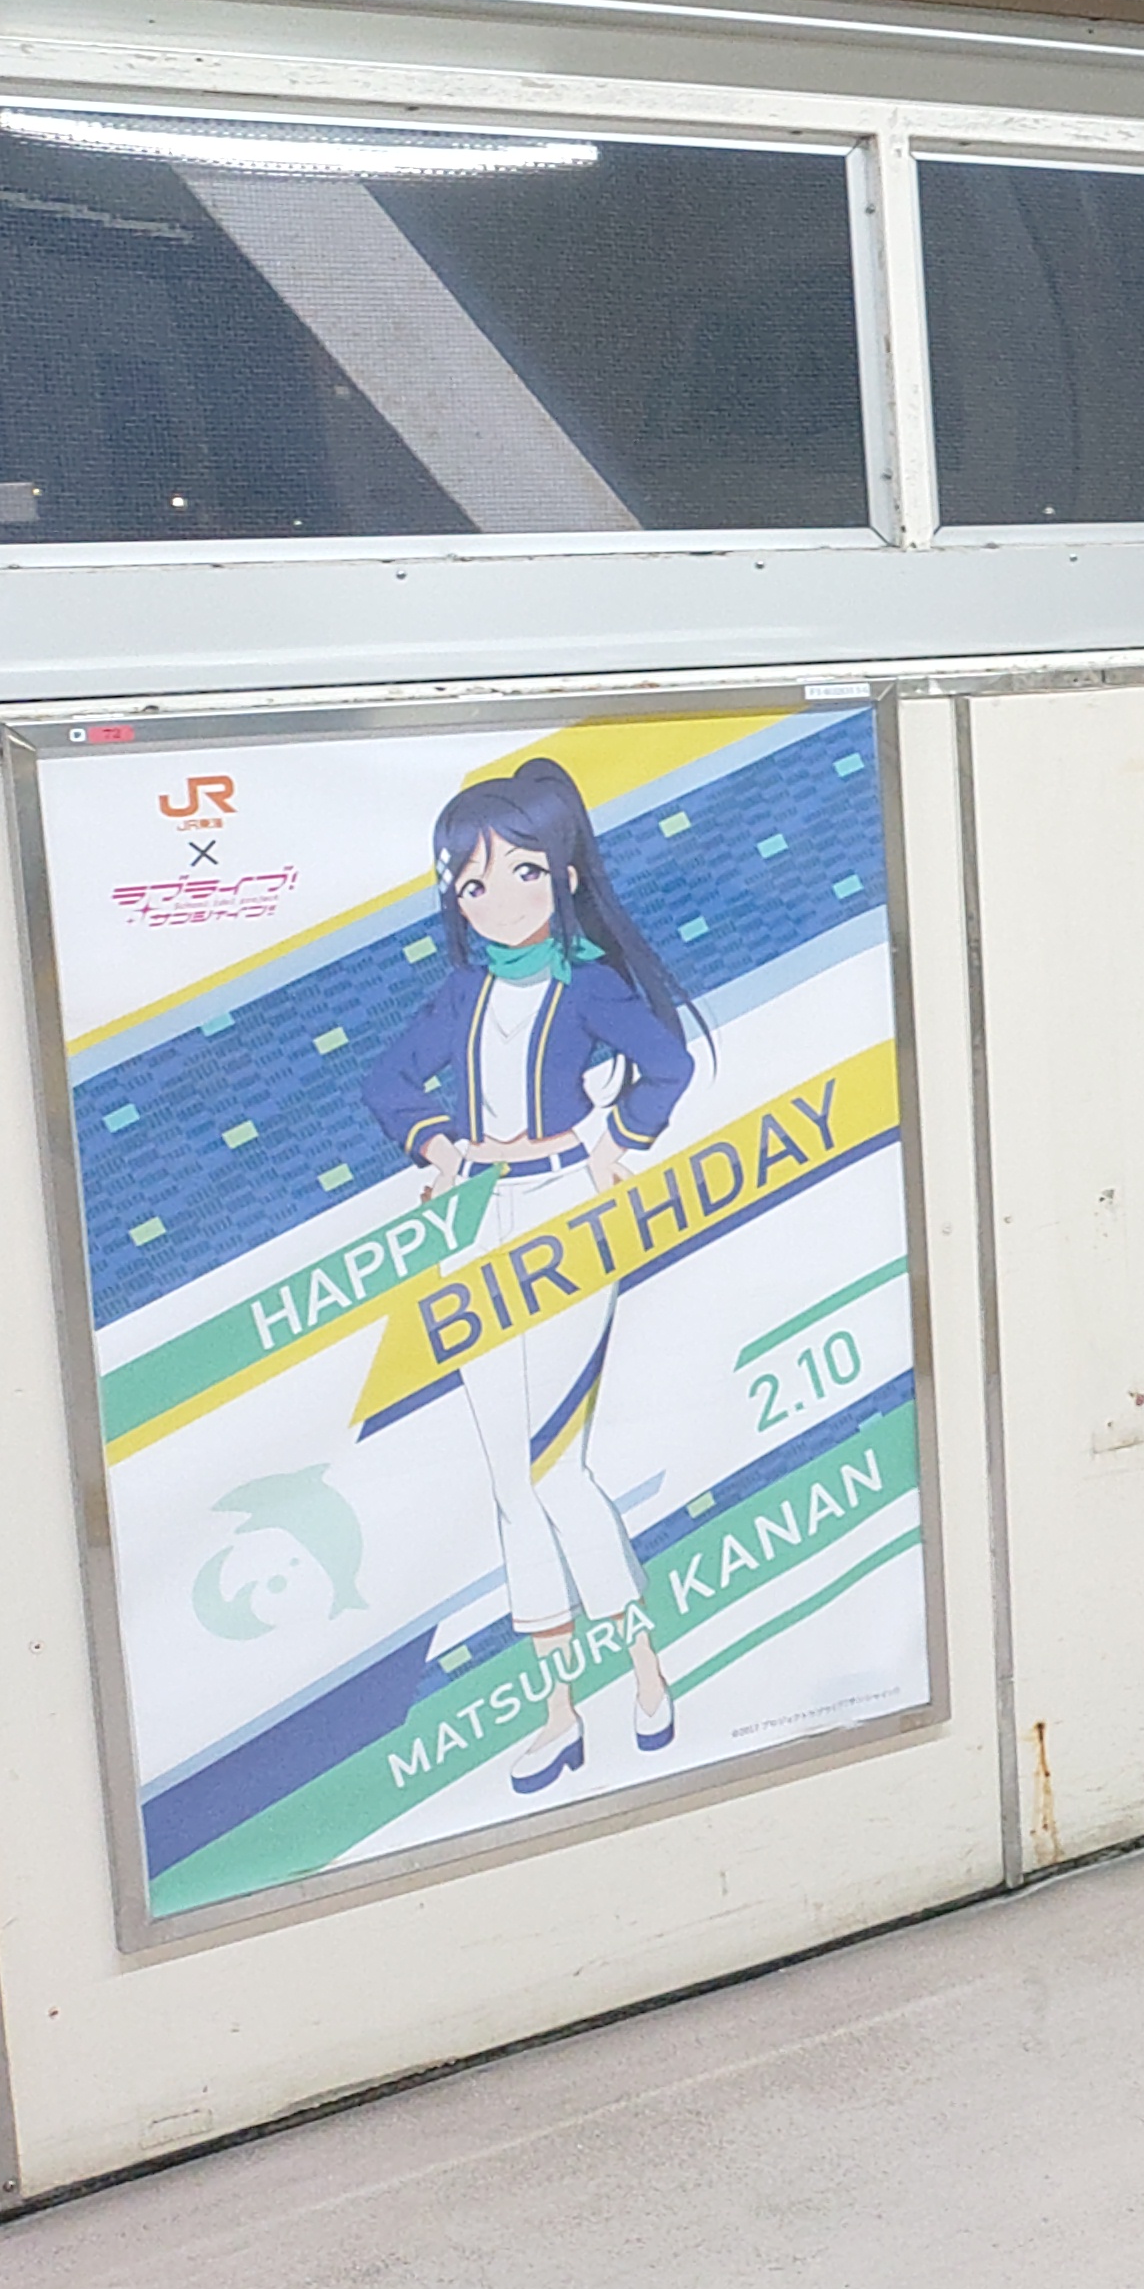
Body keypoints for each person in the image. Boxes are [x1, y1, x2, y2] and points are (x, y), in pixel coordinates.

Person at [359, 756, 703, 1800]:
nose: (498, 899)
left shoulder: (587, 980)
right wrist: (435, 1144)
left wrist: (619, 1141)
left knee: (556, 1466)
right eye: (473, 883)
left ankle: (644, 1668)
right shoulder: (464, 991)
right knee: (511, 1480)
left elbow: (669, 1064)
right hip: (478, 1226)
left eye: (519, 872)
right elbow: (386, 1080)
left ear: (563, 873)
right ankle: (559, 1711)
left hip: (564, 1219)